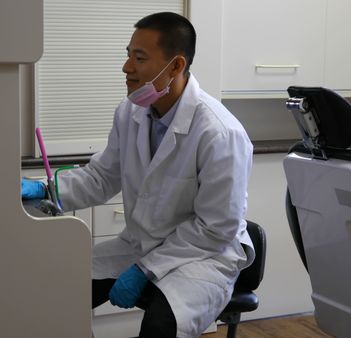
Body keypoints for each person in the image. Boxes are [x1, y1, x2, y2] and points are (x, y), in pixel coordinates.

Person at [22, 12, 254, 338]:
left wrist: (146, 268)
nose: (126, 67)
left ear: (175, 66)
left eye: (139, 58)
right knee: (58, 290)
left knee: (161, 322)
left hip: (203, 257)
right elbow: (102, 177)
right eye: (127, 54)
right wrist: (45, 190)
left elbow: (216, 229)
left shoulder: (219, 132)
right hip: (139, 244)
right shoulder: (131, 111)